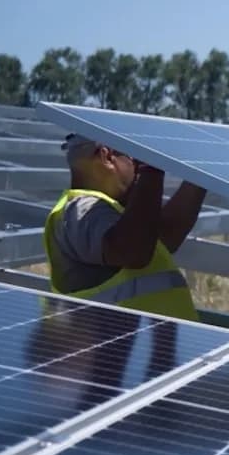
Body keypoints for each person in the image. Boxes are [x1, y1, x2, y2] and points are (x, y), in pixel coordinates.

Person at [43, 133, 206, 321]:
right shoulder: (79, 210)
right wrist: (150, 169)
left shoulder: (116, 212)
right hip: (109, 348)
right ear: (107, 157)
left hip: (141, 348)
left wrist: (199, 175)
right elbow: (133, 250)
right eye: (132, 158)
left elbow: (163, 237)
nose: (136, 168)